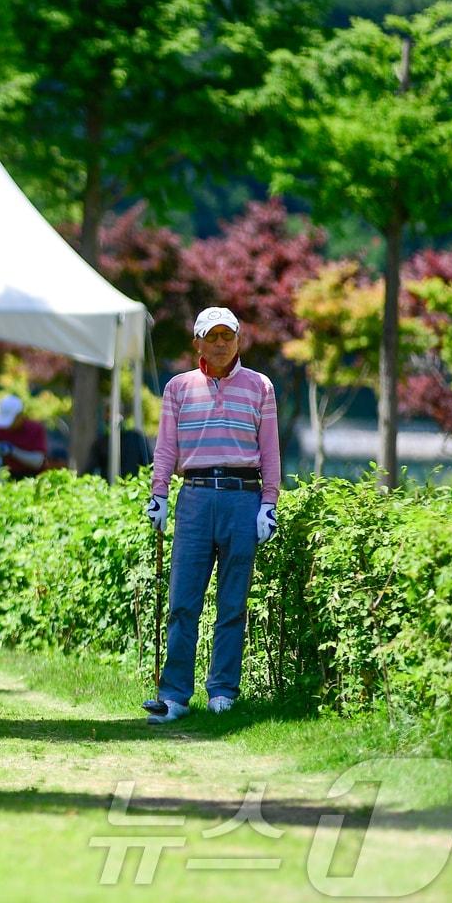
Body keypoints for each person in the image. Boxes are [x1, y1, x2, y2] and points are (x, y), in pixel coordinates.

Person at [144, 307, 281, 724]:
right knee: (182, 602)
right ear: (198, 342)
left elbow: (271, 450)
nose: (221, 343)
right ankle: (174, 696)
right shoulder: (178, 387)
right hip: (196, 498)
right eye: (212, 336)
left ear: (238, 339)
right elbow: (166, 448)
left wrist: (270, 503)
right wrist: (159, 494)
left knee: (232, 603)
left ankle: (223, 691)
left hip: (243, 497)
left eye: (228, 335)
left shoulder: (261, 386)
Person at [0, 394, 47, 480]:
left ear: (20, 415)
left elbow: (38, 462)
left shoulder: (35, 429)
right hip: (9, 478)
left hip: (34, 478)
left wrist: (12, 451)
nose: (8, 426)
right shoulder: (1, 430)